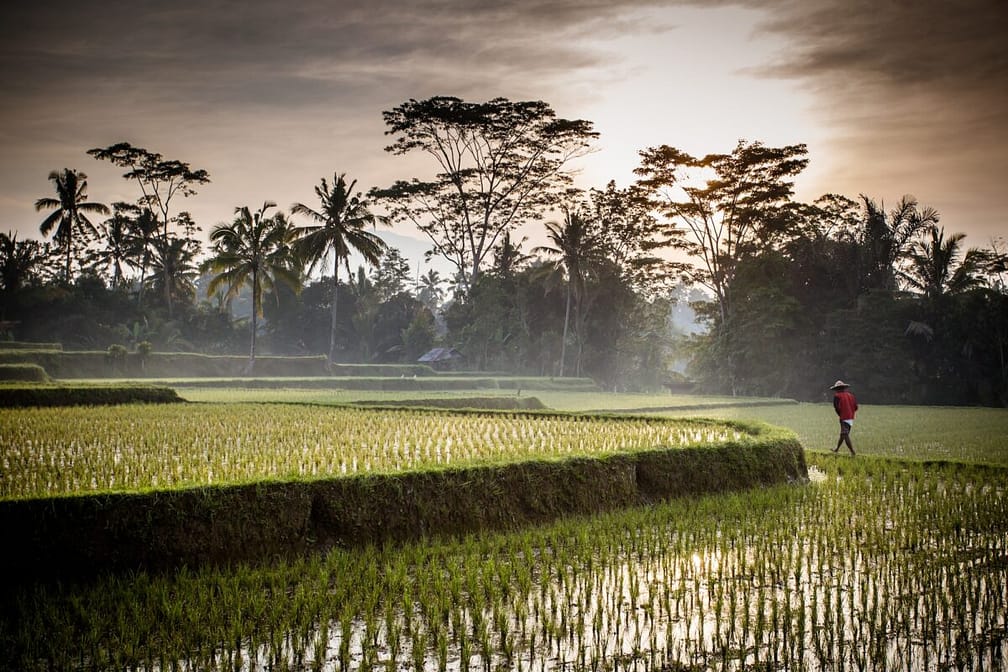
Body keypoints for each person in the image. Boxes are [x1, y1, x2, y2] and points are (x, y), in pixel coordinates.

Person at [830, 380, 857, 455]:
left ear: (837, 389)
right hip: (851, 417)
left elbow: (836, 408)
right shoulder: (851, 395)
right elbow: (856, 407)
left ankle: (852, 452)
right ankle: (837, 449)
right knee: (843, 434)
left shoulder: (837, 396)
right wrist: (850, 412)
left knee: (845, 435)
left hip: (844, 417)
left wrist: (840, 415)